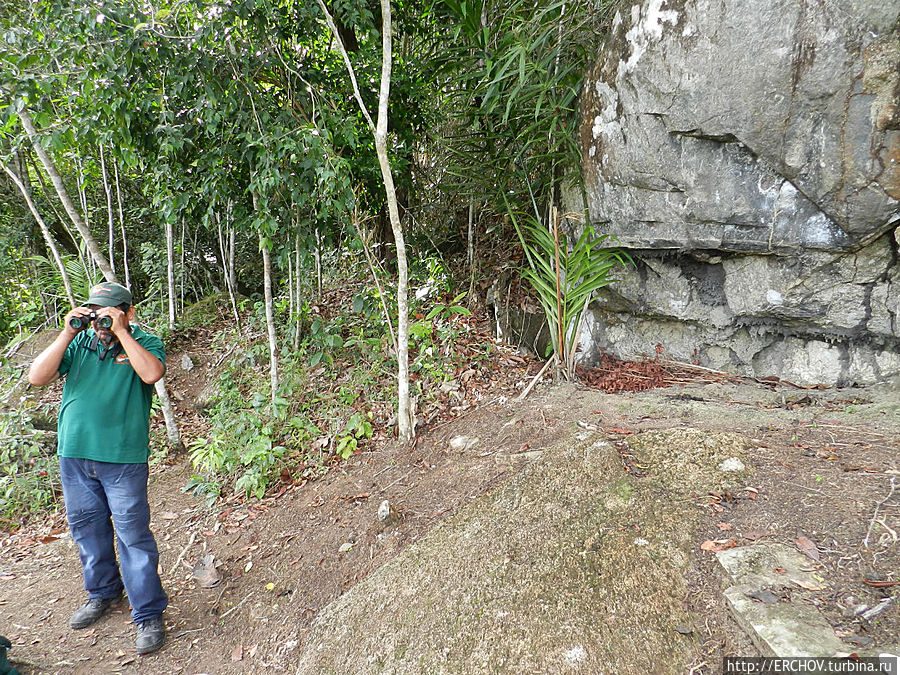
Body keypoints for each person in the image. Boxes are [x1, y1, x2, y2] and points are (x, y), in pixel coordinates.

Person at [28, 282, 168, 655]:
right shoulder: (78, 344)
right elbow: (37, 377)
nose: (99, 320)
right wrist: (67, 333)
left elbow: (151, 374)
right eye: (95, 312)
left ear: (128, 312)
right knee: (87, 530)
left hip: (122, 458)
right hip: (74, 455)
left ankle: (147, 613)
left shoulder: (144, 342)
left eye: (108, 312)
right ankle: (103, 592)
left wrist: (122, 332)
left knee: (133, 536)